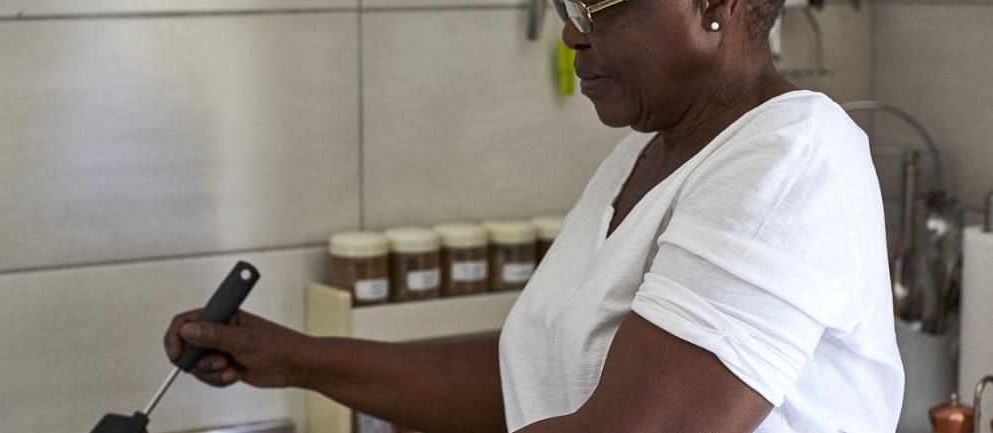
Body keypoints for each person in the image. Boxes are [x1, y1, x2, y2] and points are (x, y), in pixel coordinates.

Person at [164, 0, 905, 431]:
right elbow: (533, 374)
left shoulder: (789, 155)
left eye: (595, 5)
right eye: (563, 6)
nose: (572, 36)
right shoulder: (647, 153)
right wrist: (296, 357)